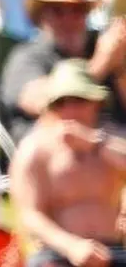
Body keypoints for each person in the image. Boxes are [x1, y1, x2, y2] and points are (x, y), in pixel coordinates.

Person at [11, 58, 126, 267]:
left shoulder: (114, 138)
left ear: (96, 102)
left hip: (114, 251)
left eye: (79, 100)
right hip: (57, 253)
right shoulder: (35, 149)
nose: (70, 110)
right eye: (61, 103)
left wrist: (94, 143)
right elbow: (29, 214)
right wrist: (72, 246)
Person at [0, 0, 126, 143]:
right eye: (57, 11)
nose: (68, 20)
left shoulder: (105, 46)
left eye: (76, 10)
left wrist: (120, 68)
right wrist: (100, 65)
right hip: (53, 157)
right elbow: (40, 101)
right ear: (42, 16)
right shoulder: (27, 57)